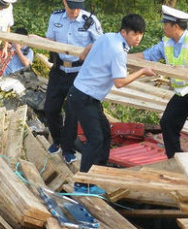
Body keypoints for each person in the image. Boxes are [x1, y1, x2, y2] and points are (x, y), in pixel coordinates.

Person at [66, 14, 155, 193]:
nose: (138, 38)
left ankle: (97, 174)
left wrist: (84, 55)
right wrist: (142, 72)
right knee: (96, 138)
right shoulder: (118, 51)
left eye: (141, 34)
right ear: (124, 32)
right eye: (134, 34)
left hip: (88, 96)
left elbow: (90, 46)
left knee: (106, 133)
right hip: (83, 97)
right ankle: (82, 184)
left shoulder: (107, 37)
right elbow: (120, 83)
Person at [142, 5, 188, 158]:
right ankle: (175, 158)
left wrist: (180, 69)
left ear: (175, 26)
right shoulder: (166, 43)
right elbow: (147, 55)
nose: (163, 27)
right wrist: (122, 57)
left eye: (165, 24)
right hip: (184, 92)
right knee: (167, 121)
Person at [43, 0, 102, 164]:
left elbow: (101, 43)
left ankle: (68, 149)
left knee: (72, 113)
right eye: (71, 6)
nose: (74, 11)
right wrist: (36, 39)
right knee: (50, 109)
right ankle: (58, 141)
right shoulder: (55, 17)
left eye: (78, 7)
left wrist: (88, 50)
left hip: (79, 73)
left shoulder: (90, 21)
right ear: (64, 2)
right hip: (59, 69)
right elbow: (50, 40)